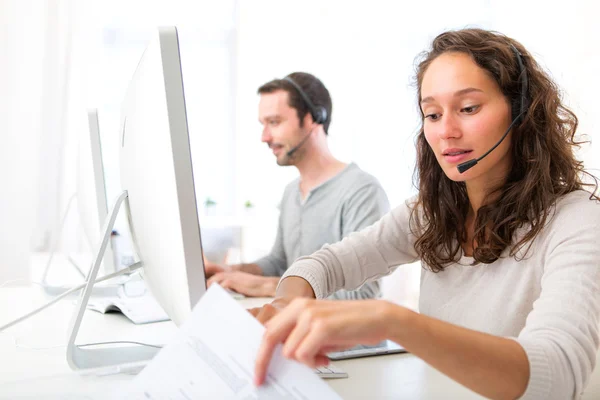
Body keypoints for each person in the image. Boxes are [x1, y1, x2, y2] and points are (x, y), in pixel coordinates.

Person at [251, 29, 600, 400]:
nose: (446, 131)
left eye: (468, 108)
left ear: (521, 112)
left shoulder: (577, 221)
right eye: (432, 114)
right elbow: (321, 265)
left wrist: (394, 321)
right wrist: (288, 303)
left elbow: (557, 375)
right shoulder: (430, 212)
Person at [206, 72, 390, 299]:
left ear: (314, 117)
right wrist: (229, 273)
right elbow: (279, 262)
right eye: (263, 124)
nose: (264, 137)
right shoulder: (291, 191)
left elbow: (363, 296)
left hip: (344, 335)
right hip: (300, 330)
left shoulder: (361, 191)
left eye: (274, 122)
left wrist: (262, 286)